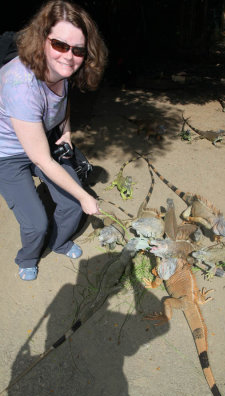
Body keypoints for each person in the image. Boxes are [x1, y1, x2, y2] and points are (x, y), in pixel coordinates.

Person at [0, 0, 108, 281]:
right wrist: (87, 196)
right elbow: (41, 159)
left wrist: (67, 132)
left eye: (78, 50)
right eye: (60, 45)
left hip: (42, 141)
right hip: (8, 155)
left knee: (71, 205)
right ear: (41, 40)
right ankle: (28, 257)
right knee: (37, 222)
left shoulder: (63, 72)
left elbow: (62, 103)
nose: (69, 56)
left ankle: (59, 243)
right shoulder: (19, 84)